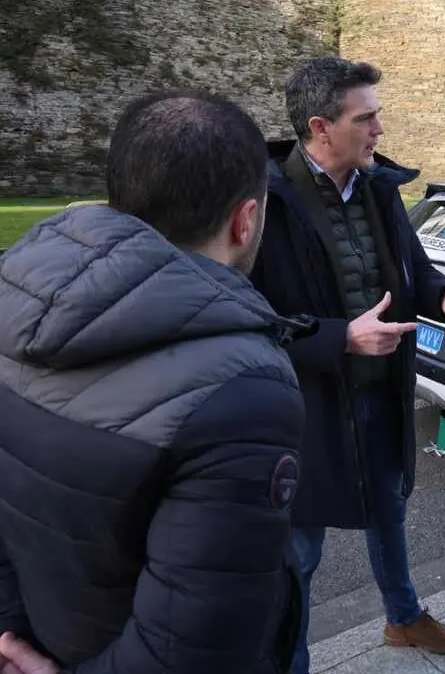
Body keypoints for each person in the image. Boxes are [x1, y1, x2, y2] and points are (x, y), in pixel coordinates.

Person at [0, 89, 311, 673]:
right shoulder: (244, 388)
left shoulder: (11, 299)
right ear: (246, 220)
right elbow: (195, 654)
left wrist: (11, 637)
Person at [250, 56, 445, 673]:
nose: (380, 129)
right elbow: (248, 317)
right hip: (306, 408)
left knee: (389, 509)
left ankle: (404, 618)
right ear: (320, 127)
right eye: (366, 118)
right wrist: (339, 339)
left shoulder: (380, 189)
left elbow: (408, 276)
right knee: (300, 552)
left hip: (381, 392)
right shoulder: (264, 202)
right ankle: (291, 661)